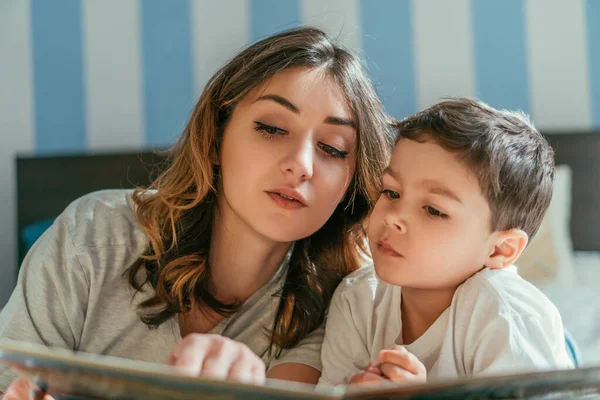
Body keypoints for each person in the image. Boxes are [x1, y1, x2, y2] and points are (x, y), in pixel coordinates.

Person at [0, 27, 394, 396]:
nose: (301, 165)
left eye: (333, 149)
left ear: (351, 182)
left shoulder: (341, 309)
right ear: (217, 136)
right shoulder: (90, 236)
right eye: (273, 128)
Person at [318, 98, 574, 387]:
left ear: (500, 249)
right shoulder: (357, 299)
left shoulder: (508, 318)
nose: (393, 218)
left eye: (434, 210)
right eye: (391, 192)